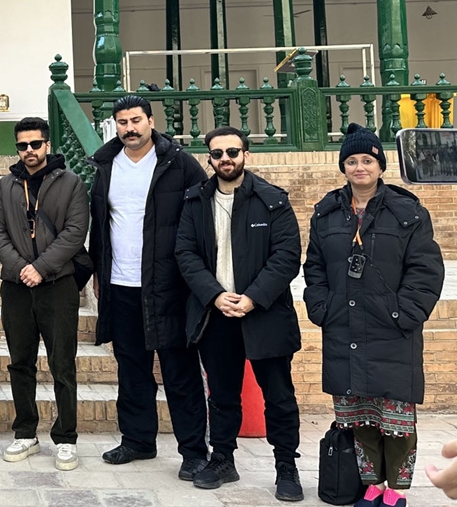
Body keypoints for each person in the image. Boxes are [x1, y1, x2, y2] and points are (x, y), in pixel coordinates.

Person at [303, 123, 445, 507]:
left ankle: (397, 488)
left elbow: (426, 269)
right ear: (343, 166)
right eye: (351, 160)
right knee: (359, 416)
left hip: (392, 330)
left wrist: (406, 312)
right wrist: (321, 308)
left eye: (367, 159)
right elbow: (313, 267)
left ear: (380, 165)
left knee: (395, 418)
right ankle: (372, 484)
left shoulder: (407, 212)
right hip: (343, 328)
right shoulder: (327, 213)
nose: (359, 167)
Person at [175, 127, 304, 500]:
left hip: (263, 313)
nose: (225, 159)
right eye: (217, 154)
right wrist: (215, 296)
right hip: (215, 313)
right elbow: (185, 254)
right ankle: (223, 459)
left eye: (233, 151)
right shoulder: (196, 201)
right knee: (223, 394)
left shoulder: (272, 200)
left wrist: (253, 298)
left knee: (278, 395)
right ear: (209, 159)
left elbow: (286, 257)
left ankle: (286, 466)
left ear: (246, 154)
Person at [89, 94, 210, 480]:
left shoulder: (179, 163)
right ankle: (138, 439)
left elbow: (204, 217)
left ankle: (193, 450)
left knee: (180, 369)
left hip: (169, 284)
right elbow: (100, 223)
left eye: (136, 120)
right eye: (122, 122)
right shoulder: (107, 165)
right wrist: (97, 271)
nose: (130, 128)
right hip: (121, 283)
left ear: (151, 121)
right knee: (132, 368)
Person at [0, 116, 89, 470]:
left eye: (35, 144)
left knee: (62, 363)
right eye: (22, 145)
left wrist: (41, 267)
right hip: (17, 287)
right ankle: (25, 432)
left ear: (47, 144)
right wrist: (19, 269)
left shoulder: (71, 182)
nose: (29, 151)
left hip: (58, 285)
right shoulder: (6, 185)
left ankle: (65, 437)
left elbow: (75, 231)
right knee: (20, 362)